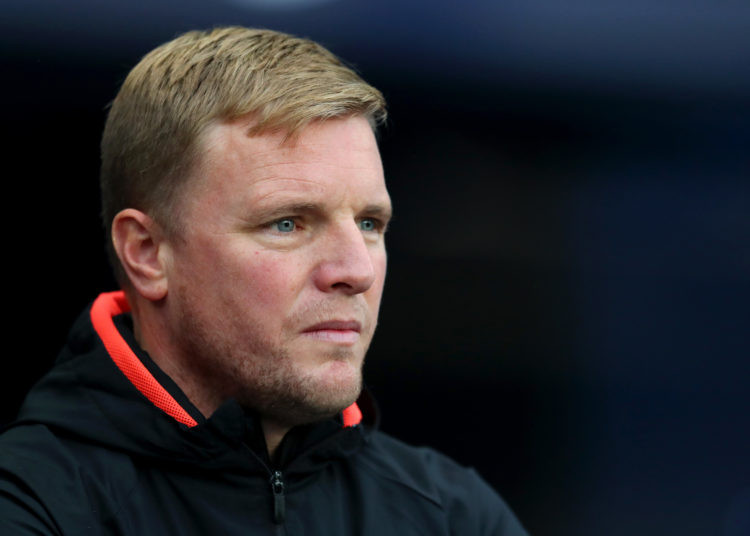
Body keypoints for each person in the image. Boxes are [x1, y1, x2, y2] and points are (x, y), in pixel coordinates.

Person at [0, 27, 528, 535]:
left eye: (369, 223)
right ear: (147, 253)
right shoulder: (31, 504)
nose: (356, 271)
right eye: (287, 224)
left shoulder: (453, 516)